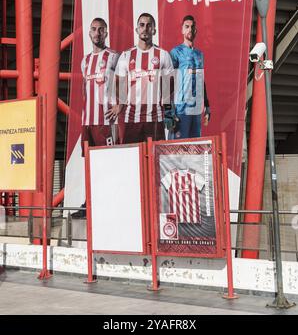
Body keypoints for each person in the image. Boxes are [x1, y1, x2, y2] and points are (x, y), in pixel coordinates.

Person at [72, 17, 119, 218]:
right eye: (94, 29)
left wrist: (120, 104)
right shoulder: (85, 61)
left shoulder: (114, 56)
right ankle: (89, 203)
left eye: (101, 30)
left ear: (106, 33)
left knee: (108, 161)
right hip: (87, 121)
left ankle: (109, 201)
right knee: (89, 163)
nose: (97, 33)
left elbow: (123, 80)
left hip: (105, 120)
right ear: (89, 33)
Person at [107, 13, 173, 143]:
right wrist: (120, 105)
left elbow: (169, 86)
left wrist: (168, 112)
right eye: (142, 25)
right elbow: (119, 82)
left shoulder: (163, 55)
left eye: (149, 25)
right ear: (137, 29)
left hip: (155, 119)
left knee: (155, 160)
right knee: (133, 160)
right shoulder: (126, 55)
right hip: (132, 119)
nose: (145, 28)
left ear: (154, 30)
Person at [168, 15, 210, 139]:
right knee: (178, 148)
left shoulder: (199, 54)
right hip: (181, 109)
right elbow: (168, 82)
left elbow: (201, 80)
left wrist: (207, 105)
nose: (190, 29)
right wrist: (169, 110)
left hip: (196, 110)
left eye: (192, 27)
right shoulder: (176, 52)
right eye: (187, 27)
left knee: (194, 148)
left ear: (196, 30)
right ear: (182, 30)